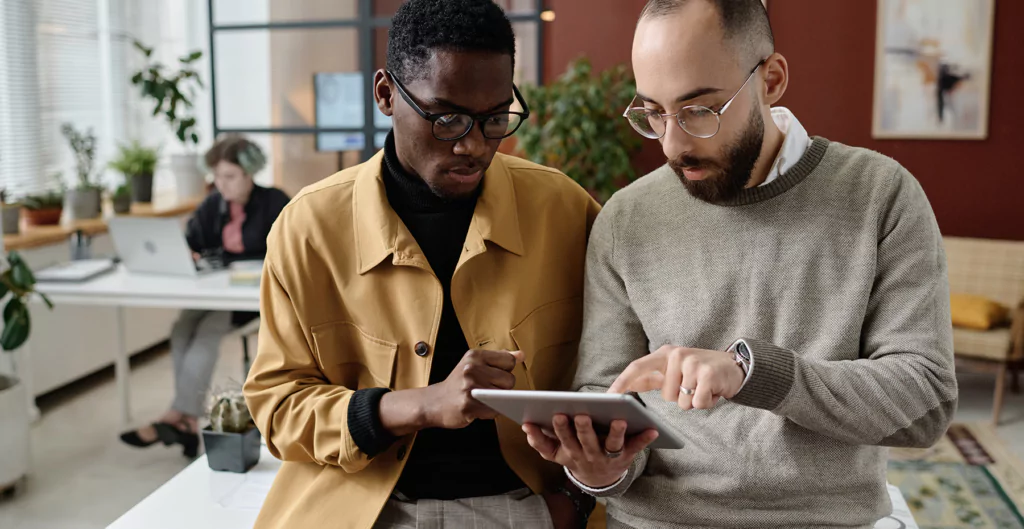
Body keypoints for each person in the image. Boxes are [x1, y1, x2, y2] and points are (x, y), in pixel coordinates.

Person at [522, 1, 958, 527]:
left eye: (699, 110)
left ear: (771, 80)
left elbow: (926, 402)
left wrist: (752, 372)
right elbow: (605, 393)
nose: (673, 144)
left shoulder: (880, 195)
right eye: (653, 113)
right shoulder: (625, 218)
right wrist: (599, 466)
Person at [242, 1, 601, 527]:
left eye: (495, 118)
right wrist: (421, 405)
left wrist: (570, 507)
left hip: (528, 506)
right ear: (386, 94)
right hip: (362, 507)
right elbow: (277, 409)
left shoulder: (565, 211)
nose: (474, 145)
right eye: (447, 118)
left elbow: (619, 371)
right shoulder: (308, 229)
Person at [120, 136, 289, 457]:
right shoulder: (213, 205)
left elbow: (291, 250)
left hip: (252, 299)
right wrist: (188, 254)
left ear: (250, 173)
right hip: (215, 291)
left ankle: (177, 415)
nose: (222, 185)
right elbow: (192, 243)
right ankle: (186, 420)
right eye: (217, 177)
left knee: (207, 331)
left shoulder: (275, 202)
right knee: (181, 329)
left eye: (230, 177)